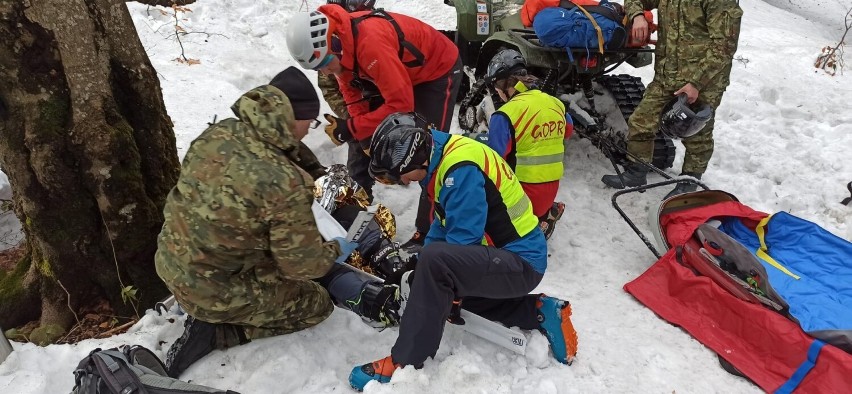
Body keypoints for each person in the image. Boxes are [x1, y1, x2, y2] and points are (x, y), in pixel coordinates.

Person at [154, 67, 402, 378]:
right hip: (209, 291)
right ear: (294, 119)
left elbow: (281, 154)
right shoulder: (283, 181)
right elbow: (303, 267)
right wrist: (334, 250)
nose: (307, 131)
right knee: (316, 301)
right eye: (309, 123)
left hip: (170, 263)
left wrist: (313, 171)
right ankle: (220, 332)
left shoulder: (220, 133)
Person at [348, 113, 579, 391]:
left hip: (520, 263)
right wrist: (418, 270)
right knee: (437, 290)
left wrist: (430, 274)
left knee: (438, 274)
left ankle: (405, 361)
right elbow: (444, 226)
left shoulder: (460, 169)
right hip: (505, 259)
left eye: (401, 176)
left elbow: (462, 242)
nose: (404, 182)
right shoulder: (446, 159)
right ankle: (538, 312)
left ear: (413, 158)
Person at [286, 5, 463, 253]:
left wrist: (353, 127)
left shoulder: (370, 44)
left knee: (427, 151)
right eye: (318, 69)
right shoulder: (340, 49)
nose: (325, 71)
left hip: (436, 71)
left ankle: (426, 233)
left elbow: (401, 104)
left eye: (325, 62)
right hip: (395, 72)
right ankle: (353, 210)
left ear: (334, 43)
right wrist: (363, 136)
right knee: (360, 136)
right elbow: (353, 97)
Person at [601, 0, 743, 199]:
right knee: (641, 121)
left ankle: (689, 181)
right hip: (667, 75)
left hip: (703, 81)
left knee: (697, 135)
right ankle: (636, 172)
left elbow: (725, 46)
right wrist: (638, 16)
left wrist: (696, 83)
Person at [482, 49, 574, 240]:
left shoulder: (505, 114)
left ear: (504, 83)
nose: (497, 92)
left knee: (487, 235)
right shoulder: (556, 103)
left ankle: (529, 226)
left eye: (496, 86)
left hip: (522, 196)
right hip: (550, 190)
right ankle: (547, 213)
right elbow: (567, 132)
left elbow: (494, 160)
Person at [318, 0, 379, 203]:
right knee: (358, 154)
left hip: (383, 98)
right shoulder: (327, 37)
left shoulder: (375, 25)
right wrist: (348, 118)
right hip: (354, 104)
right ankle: (359, 199)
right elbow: (329, 86)